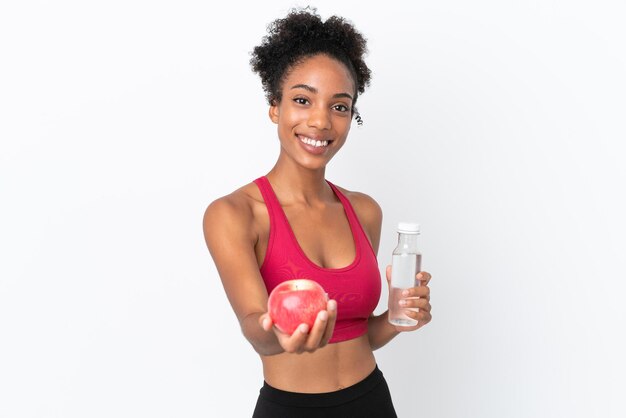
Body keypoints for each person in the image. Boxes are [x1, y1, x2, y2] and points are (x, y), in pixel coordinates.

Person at [202, 7, 432, 417]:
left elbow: (360, 333)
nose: (320, 120)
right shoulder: (235, 214)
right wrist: (281, 337)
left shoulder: (363, 211)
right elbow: (256, 329)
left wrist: (400, 317)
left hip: (372, 402)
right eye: (302, 100)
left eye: (339, 106)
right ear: (275, 106)